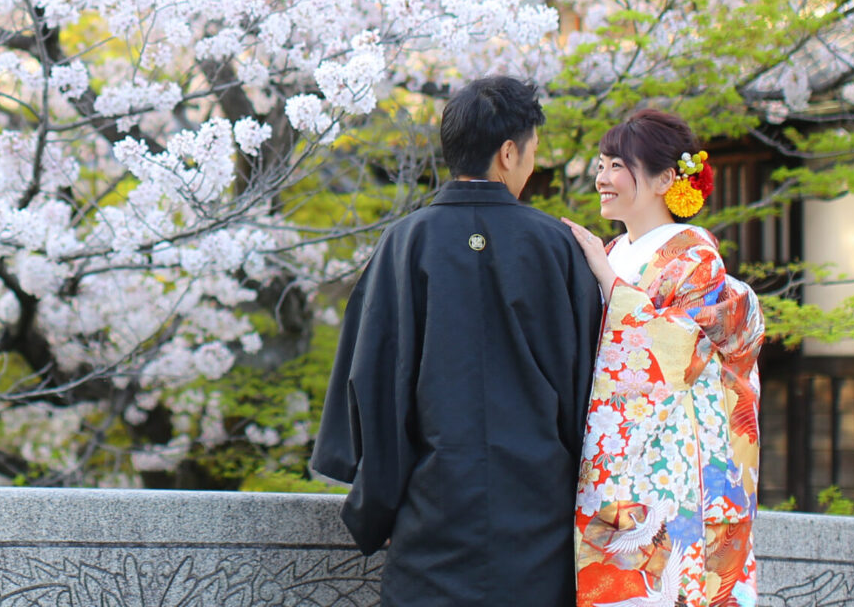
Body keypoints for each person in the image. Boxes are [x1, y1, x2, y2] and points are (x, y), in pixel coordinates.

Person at [313, 75, 602, 607]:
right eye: (533, 150)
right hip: (539, 526)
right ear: (508, 153)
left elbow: (373, 379)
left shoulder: (405, 242)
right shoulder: (557, 246)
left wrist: (376, 505)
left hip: (431, 519)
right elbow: (592, 390)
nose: (533, 164)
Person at [562, 109, 765, 607]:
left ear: (665, 179)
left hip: (671, 468)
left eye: (616, 165)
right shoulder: (614, 250)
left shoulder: (695, 256)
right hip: (618, 459)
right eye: (602, 164)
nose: (601, 178)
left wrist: (609, 284)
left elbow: (682, 354)